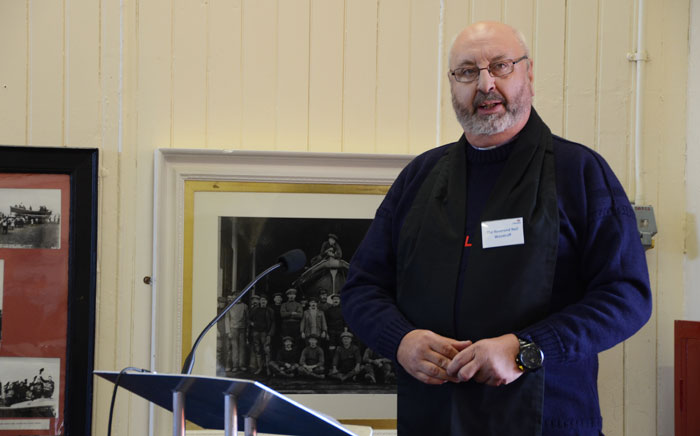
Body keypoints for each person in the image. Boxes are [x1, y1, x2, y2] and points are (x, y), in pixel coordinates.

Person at [340, 21, 652, 436]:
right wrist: (401, 340)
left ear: (529, 74)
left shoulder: (580, 172)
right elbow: (361, 288)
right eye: (467, 71)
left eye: (501, 66)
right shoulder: (420, 177)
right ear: (453, 85)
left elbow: (627, 296)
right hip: (432, 418)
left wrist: (527, 349)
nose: (485, 84)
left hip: (548, 419)